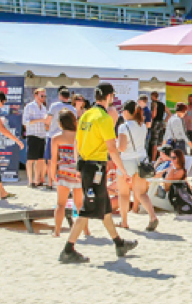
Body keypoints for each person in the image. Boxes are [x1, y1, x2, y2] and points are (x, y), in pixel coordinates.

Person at [59, 83, 138, 264]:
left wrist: (78, 166)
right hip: (96, 168)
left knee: (105, 209)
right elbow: (112, 148)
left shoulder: (86, 115)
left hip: (86, 166)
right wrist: (123, 171)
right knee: (88, 209)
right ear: (110, 96)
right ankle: (68, 249)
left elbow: (77, 143)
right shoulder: (103, 118)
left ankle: (119, 243)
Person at [116, 101, 159, 231]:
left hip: (127, 161)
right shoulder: (142, 126)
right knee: (141, 193)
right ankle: (152, 216)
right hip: (141, 161)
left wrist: (115, 144)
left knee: (123, 194)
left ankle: (124, 221)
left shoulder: (123, 127)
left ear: (127, 112)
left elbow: (122, 148)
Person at [48, 109, 91, 239]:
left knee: (61, 204)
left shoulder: (56, 138)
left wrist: (52, 174)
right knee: (80, 205)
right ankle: (86, 231)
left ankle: (57, 231)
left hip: (64, 172)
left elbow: (54, 159)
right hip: (78, 172)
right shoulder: (81, 135)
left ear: (60, 123)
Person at [23, 87, 49, 188]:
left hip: (42, 135)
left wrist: (46, 124)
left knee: (40, 159)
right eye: (41, 96)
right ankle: (30, 180)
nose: (43, 98)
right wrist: (40, 120)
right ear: (36, 96)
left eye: (44, 96)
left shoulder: (44, 108)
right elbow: (25, 122)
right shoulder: (29, 106)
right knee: (31, 159)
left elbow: (45, 121)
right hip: (32, 135)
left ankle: (37, 180)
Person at [148, 91, 168, 160]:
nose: (150, 98)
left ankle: (153, 160)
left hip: (155, 123)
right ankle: (160, 158)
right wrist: (164, 121)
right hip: (161, 123)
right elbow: (169, 113)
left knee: (154, 142)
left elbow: (154, 115)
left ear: (153, 96)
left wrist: (150, 119)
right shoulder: (162, 104)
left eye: (151, 96)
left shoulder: (154, 103)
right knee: (160, 142)